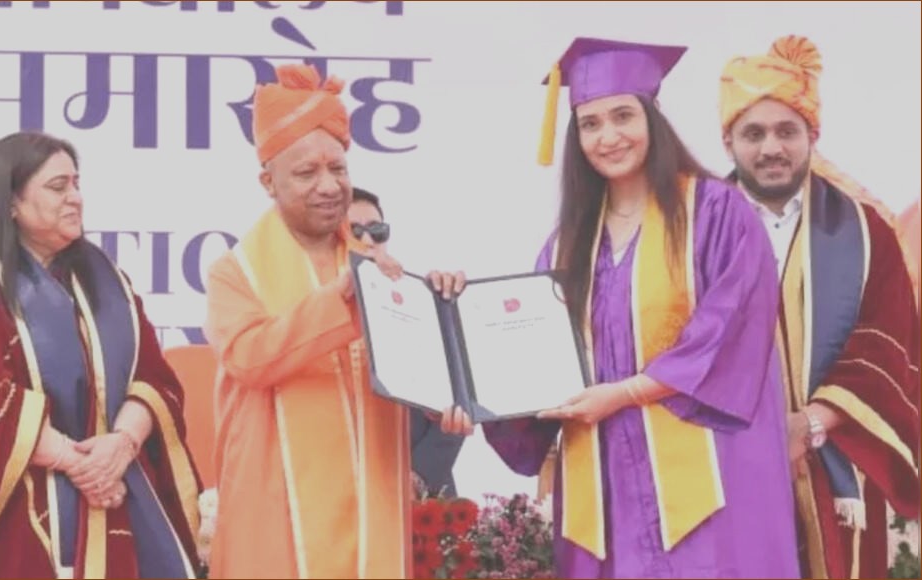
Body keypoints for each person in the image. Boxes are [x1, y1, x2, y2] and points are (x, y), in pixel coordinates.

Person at [442, 37, 800, 578]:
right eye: (590, 124)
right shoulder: (566, 248)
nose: (608, 137)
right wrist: (466, 387)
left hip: (711, 484)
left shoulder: (715, 212)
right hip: (610, 489)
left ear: (651, 117)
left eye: (623, 116)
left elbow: (729, 329)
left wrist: (625, 393)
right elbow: (538, 366)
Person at [0, 132, 201, 578]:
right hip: (14, 513)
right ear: (10, 203)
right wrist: (81, 464)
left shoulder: (106, 280)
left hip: (117, 490)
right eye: (58, 187)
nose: (75, 197)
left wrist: (122, 444)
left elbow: (154, 378)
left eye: (76, 184)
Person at [204, 63, 463, 579]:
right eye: (306, 173)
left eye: (338, 169)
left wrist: (447, 352)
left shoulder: (379, 269)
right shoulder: (235, 273)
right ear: (268, 181)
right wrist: (340, 299)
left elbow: (416, 378)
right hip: (277, 512)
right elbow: (250, 358)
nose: (329, 186)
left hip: (370, 507)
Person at [720, 35, 921, 579]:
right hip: (722, 466)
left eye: (787, 131)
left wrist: (809, 423)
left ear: (812, 134)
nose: (771, 148)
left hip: (836, 457)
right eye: (753, 133)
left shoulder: (867, 230)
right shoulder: (692, 230)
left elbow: (890, 341)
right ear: (728, 141)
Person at [348, 186, 466, 498]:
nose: (368, 240)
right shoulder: (312, 307)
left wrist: (417, 476)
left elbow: (455, 397)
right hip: (336, 485)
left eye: (377, 230)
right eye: (354, 231)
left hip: (422, 494)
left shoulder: (420, 300)